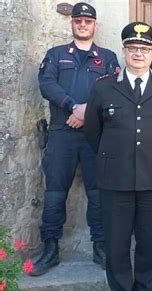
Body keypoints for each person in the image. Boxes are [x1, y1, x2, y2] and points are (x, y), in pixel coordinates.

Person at [84, 22, 152, 291]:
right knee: (116, 243)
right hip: (115, 179)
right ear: (124, 51)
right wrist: (117, 155)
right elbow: (92, 132)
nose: (138, 53)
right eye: (132, 48)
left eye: (145, 48)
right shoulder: (103, 86)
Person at [32, 2, 119, 276]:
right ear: (72, 24)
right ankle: (50, 249)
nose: (83, 24)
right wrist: (73, 106)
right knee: (55, 193)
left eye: (88, 21)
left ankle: (100, 247)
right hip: (62, 133)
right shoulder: (56, 55)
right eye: (78, 20)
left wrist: (87, 113)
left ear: (95, 25)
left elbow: (112, 91)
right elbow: (47, 84)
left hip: (96, 135)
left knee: (98, 193)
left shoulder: (107, 58)